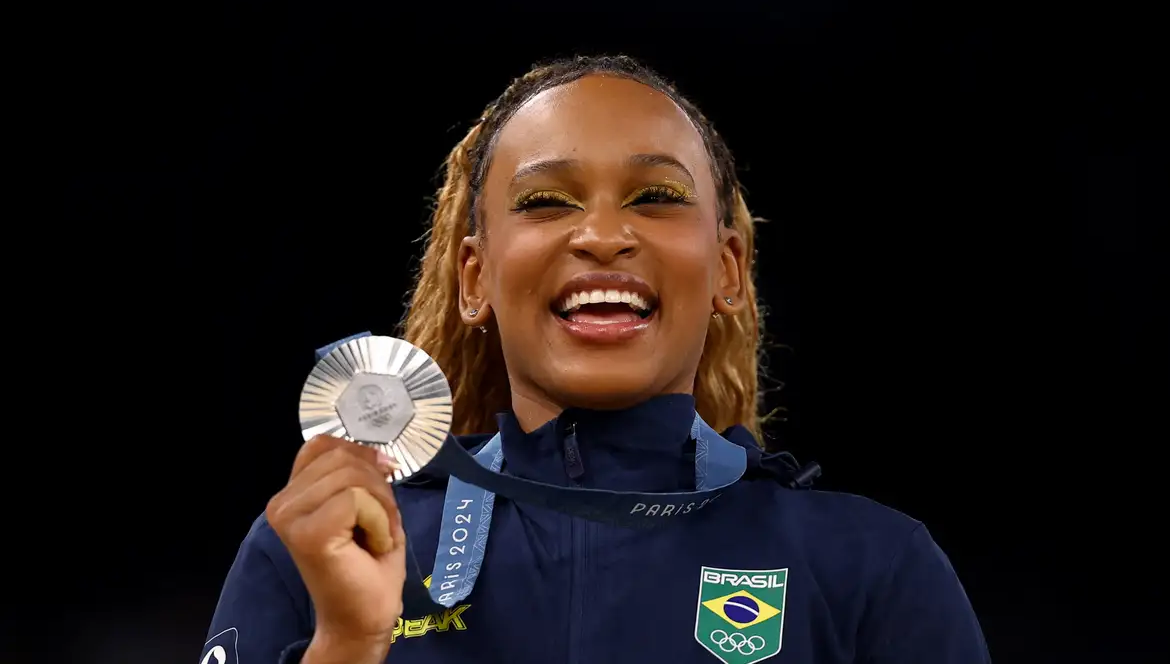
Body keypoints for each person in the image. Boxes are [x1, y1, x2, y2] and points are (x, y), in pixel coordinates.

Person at [200, 55, 990, 664]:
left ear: (729, 269)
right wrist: (346, 641)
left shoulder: (871, 566)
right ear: (475, 277)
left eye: (656, 197)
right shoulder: (321, 547)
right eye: (547, 202)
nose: (603, 234)